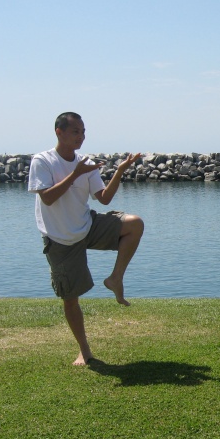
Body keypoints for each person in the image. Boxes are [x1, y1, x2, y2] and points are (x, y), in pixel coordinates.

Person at [28, 112, 144, 365]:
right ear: (59, 132)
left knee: (134, 224)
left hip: (87, 225)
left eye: (83, 131)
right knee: (71, 299)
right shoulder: (43, 161)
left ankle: (115, 278)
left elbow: (103, 198)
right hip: (60, 239)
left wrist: (120, 171)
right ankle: (85, 350)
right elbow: (47, 197)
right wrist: (76, 174)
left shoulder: (86, 162)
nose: (81, 136)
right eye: (76, 132)